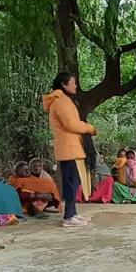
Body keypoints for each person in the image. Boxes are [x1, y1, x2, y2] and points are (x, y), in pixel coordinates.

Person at [42, 72, 97, 227]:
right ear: (64, 85)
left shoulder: (64, 100)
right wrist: (89, 128)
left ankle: (72, 213)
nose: (76, 86)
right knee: (71, 181)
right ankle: (68, 217)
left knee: (74, 180)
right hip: (68, 147)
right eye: (73, 83)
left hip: (72, 147)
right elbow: (71, 124)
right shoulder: (61, 101)